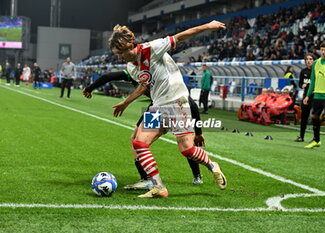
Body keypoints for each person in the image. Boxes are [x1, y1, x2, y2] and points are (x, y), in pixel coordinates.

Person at [109, 21, 227, 198]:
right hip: (157, 106)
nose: (118, 58)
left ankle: (212, 165)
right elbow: (144, 84)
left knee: (186, 149)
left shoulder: (153, 48)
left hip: (175, 101)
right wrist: (126, 102)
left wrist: (209, 26)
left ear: (129, 47)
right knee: (139, 142)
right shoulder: (131, 67)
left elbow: (182, 36)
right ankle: (158, 187)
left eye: (119, 53)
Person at [82, 70, 205, 189]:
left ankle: (197, 175)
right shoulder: (134, 73)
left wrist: (198, 133)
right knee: (135, 139)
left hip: (175, 107)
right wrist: (89, 88)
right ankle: (146, 178)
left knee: (185, 142)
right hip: (156, 107)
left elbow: (191, 104)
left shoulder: (157, 75)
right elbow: (107, 76)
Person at [295, 53, 316, 142]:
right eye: (307, 59)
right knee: (304, 117)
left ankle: (315, 138)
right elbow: (299, 84)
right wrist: (302, 85)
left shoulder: (317, 71)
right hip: (305, 97)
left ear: (314, 60)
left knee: (315, 118)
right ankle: (301, 136)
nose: (309, 61)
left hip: (315, 97)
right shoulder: (303, 71)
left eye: (311, 59)